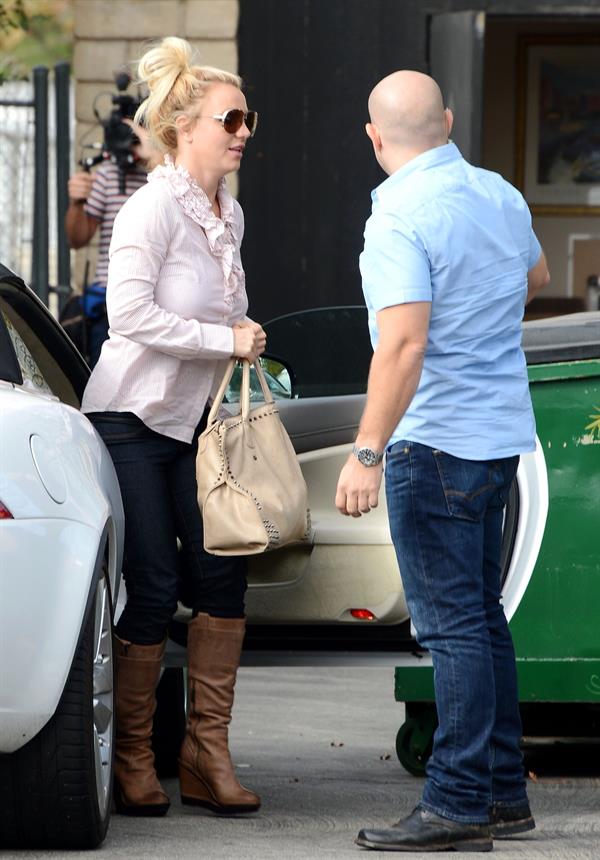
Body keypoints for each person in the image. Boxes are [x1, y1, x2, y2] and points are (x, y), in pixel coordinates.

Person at [335, 70, 550, 852]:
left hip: (434, 440)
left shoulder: (398, 216)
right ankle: (499, 795)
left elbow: (403, 344)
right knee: (482, 619)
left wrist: (366, 450)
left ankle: (457, 802)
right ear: (450, 122)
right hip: (498, 436)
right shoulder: (497, 192)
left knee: (452, 627)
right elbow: (535, 278)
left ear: (374, 136)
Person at [81, 36, 266, 817]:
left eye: (248, 118)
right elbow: (128, 318)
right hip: (131, 417)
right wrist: (225, 338)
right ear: (182, 128)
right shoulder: (153, 205)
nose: (244, 131)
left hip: (198, 426)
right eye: (231, 118)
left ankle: (205, 752)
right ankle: (130, 758)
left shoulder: (230, 212)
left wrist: (241, 335)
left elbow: (216, 314)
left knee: (224, 575)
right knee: (153, 582)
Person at [64, 121, 151, 366]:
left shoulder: (161, 175)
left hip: (154, 298)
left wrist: (154, 157)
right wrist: (77, 202)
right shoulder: (106, 174)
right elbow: (77, 239)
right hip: (109, 298)